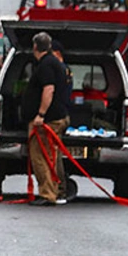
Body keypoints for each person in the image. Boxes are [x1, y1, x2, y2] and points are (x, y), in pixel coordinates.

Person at [22, 32, 70, 206]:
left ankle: (48, 194)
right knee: (50, 156)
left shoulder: (46, 65)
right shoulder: (53, 63)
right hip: (54, 117)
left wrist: (40, 114)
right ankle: (54, 190)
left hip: (47, 120)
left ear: (35, 47)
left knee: (40, 157)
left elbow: (48, 90)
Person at [51, 39, 74, 204]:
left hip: (56, 117)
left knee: (53, 155)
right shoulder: (66, 71)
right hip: (63, 115)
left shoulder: (59, 71)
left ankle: (59, 188)